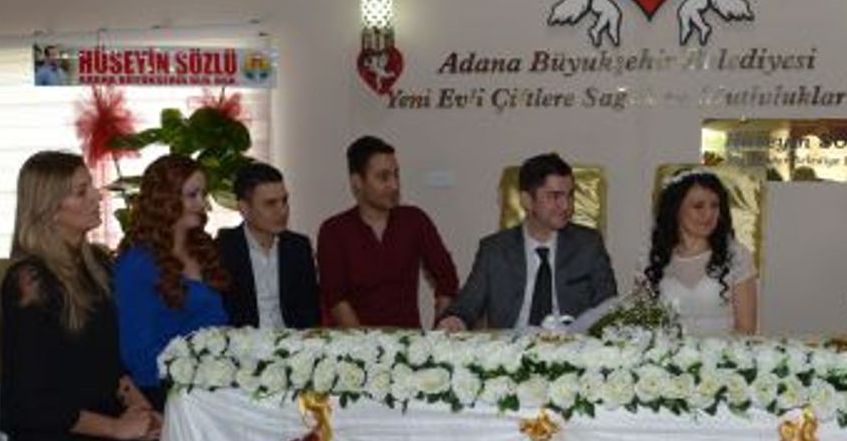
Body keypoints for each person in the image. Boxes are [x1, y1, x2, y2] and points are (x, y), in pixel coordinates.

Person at [0, 151, 167, 441]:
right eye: (81, 191)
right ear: (50, 209)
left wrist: (136, 402)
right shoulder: (28, 281)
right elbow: (31, 401)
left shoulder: (95, 263)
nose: (98, 196)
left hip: (95, 423)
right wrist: (117, 429)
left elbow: (105, 361)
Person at [439, 152, 617, 331]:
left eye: (569, 195)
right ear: (527, 200)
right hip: (510, 345)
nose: (566, 206)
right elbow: (467, 305)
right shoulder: (494, 250)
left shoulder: (588, 245)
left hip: (571, 344)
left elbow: (609, 308)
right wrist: (454, 320)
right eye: (555, 196)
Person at [115, 155, 229, 408]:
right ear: (164, 199)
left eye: (203, 194)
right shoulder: (137, 264)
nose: (202, 203)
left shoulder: (202, 249)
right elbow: (137, 353)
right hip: (167, 394)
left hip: (215, 386)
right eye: (192, 195)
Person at [316, 135, 459, 328]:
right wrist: (363, 343)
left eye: (396, 175)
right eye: (383, 177)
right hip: (355, 340)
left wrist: (438, 332)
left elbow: (447, 278)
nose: (394, 185)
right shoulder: (333, 231)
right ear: (357, 182)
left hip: (409, 340)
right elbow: (336, 300)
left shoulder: (415, 220)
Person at [643, 169, 757, 336]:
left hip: (724, 352)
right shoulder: (652, 258)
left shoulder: (737, 256)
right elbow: (642, 325)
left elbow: (746, 329)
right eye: (698, 206)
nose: (708, 214)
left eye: (715, 206)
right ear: (675, 209)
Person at [216, 162, 320, 329]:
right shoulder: (224, 248)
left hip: (293, 341)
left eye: (284, 201)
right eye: (270, 203)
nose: (282, 211)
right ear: (244, 208)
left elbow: (310, 313)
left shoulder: (298, 247)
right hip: (243, 342)